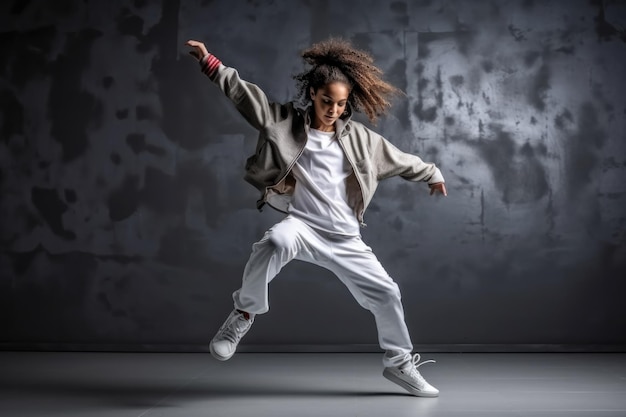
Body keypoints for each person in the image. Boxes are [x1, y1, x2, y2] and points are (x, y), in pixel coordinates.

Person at [186, 37, 447, 398]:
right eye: (327, 101)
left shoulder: (361, 140)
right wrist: (212, 65)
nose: (333, 110)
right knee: (274, 241)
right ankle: (243, 315)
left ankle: (399, 364)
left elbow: (400, 159)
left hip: (345, 238)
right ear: (312, 93)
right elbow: (247, 97)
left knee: (387, 292)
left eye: (341, 104)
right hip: (303, 228)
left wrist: (432, 174)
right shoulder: (285, 124)